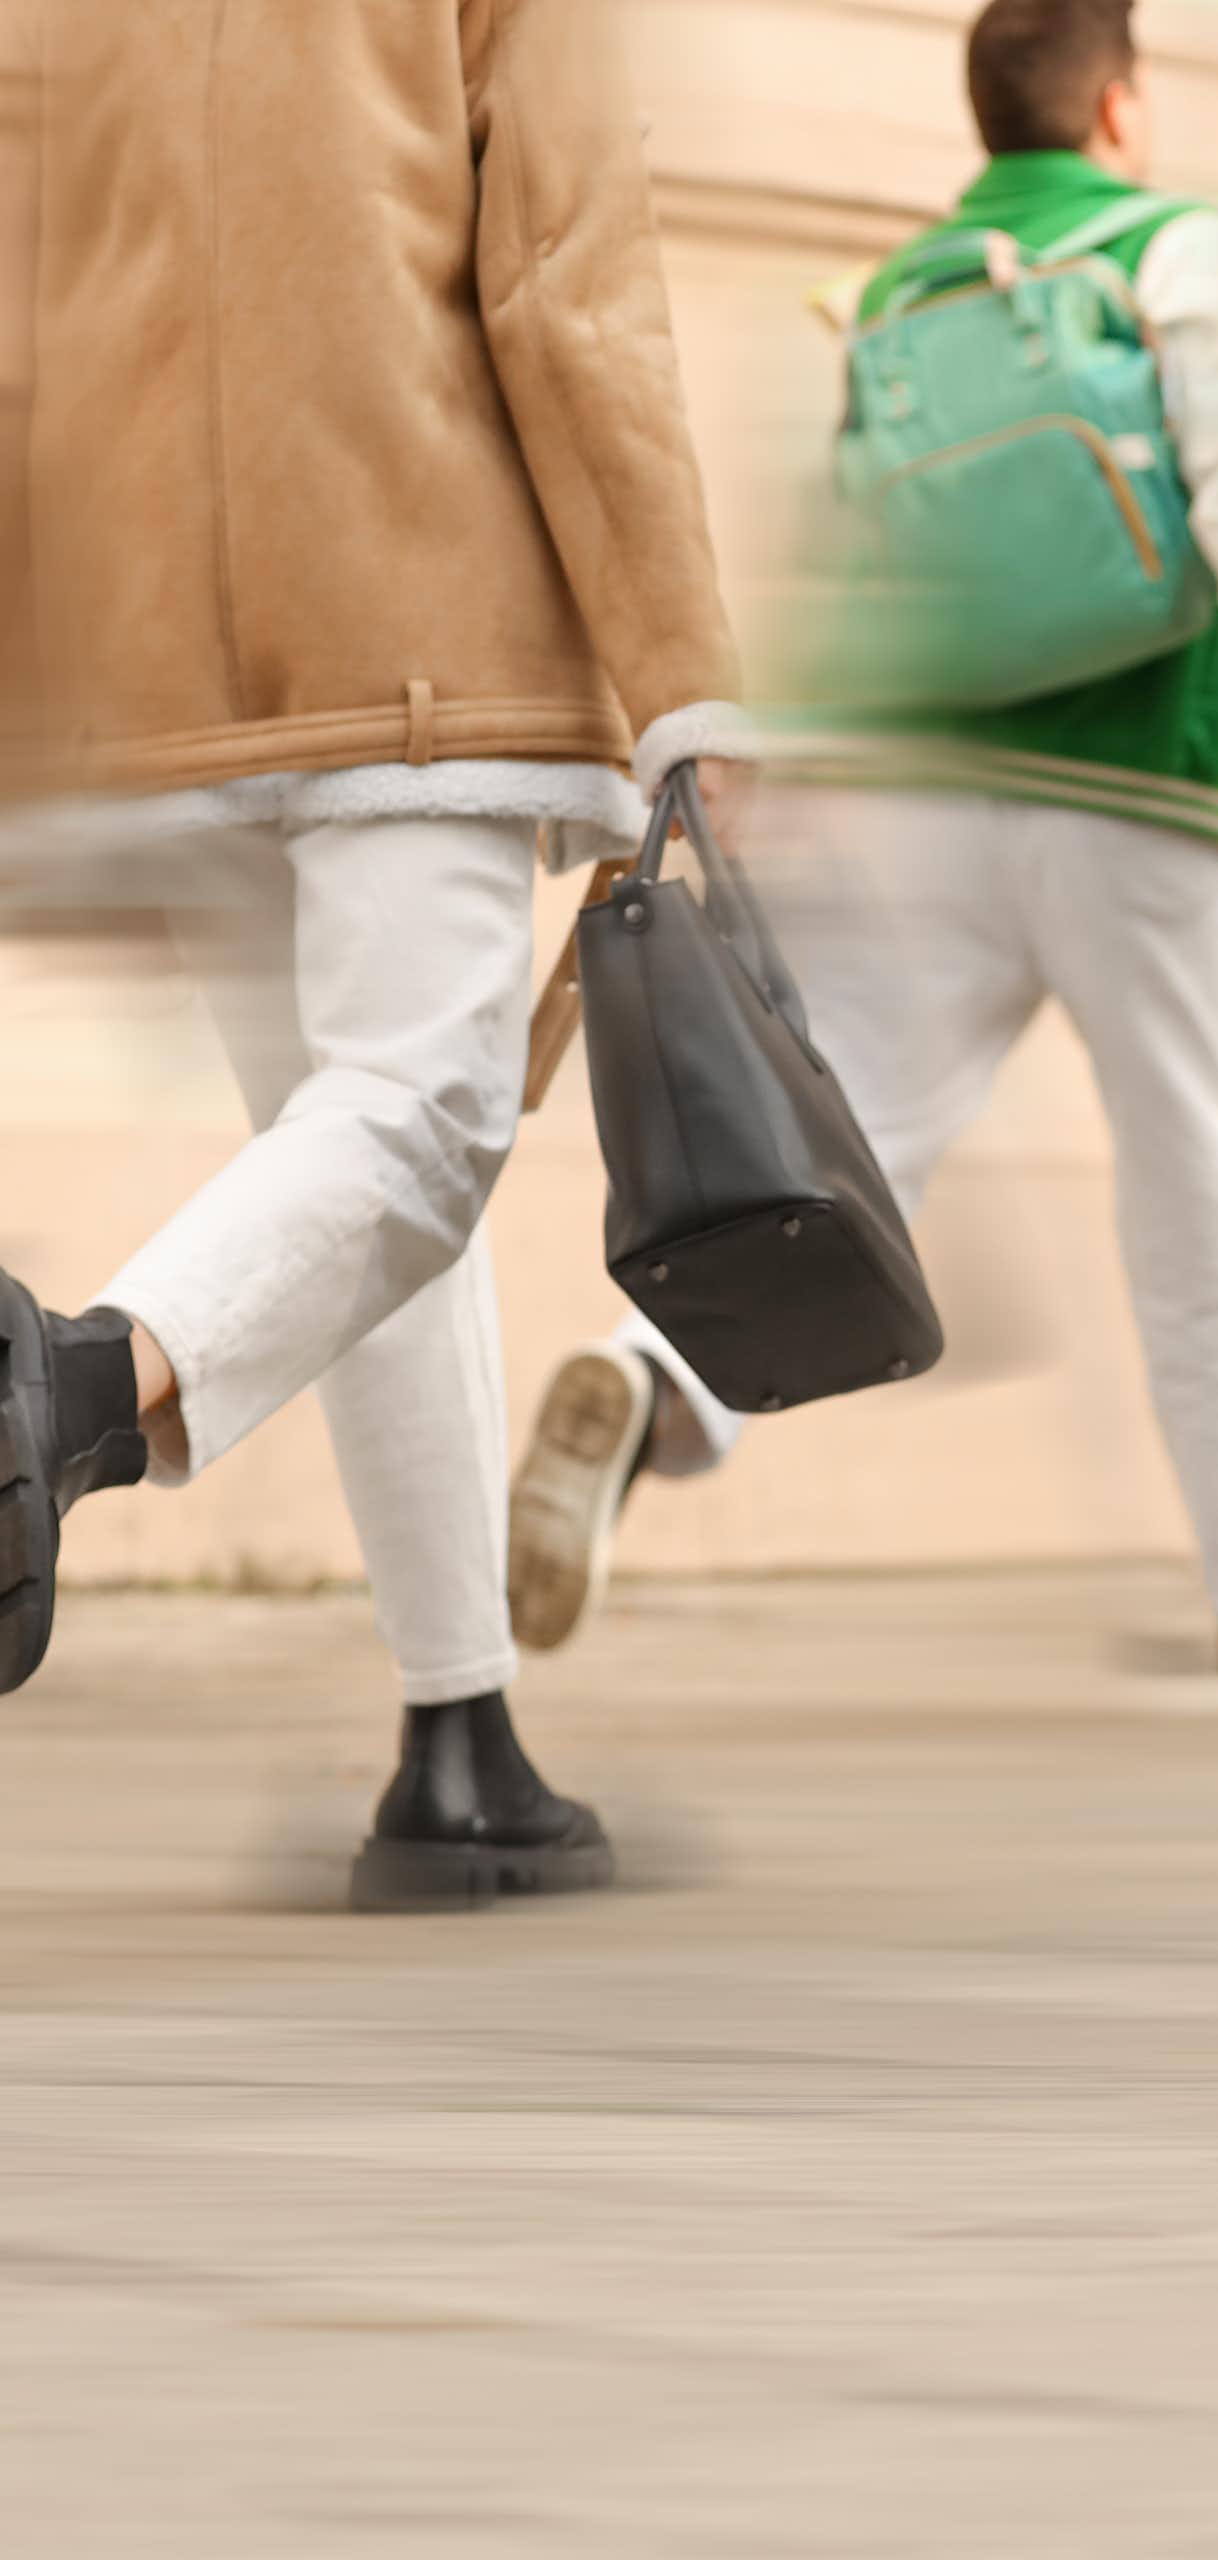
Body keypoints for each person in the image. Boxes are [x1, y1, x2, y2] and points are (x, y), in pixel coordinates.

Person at [506, 0, 1218, 1719]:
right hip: (1137, 794)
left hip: (928, 798)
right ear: (1122, 107)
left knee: (846, 1155)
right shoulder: (1169, 244)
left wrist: (791, 756)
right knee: (1194, 1190)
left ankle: (650, 1385)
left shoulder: (900, 288)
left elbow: (853, 553)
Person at [0, 0, 748, 1907]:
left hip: (165, 674)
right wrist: (685, 689)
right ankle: (68, 1394)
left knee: (342, 1193)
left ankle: (461, 1746)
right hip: (414, 635)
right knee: (418, 1126)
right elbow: (576, 291)